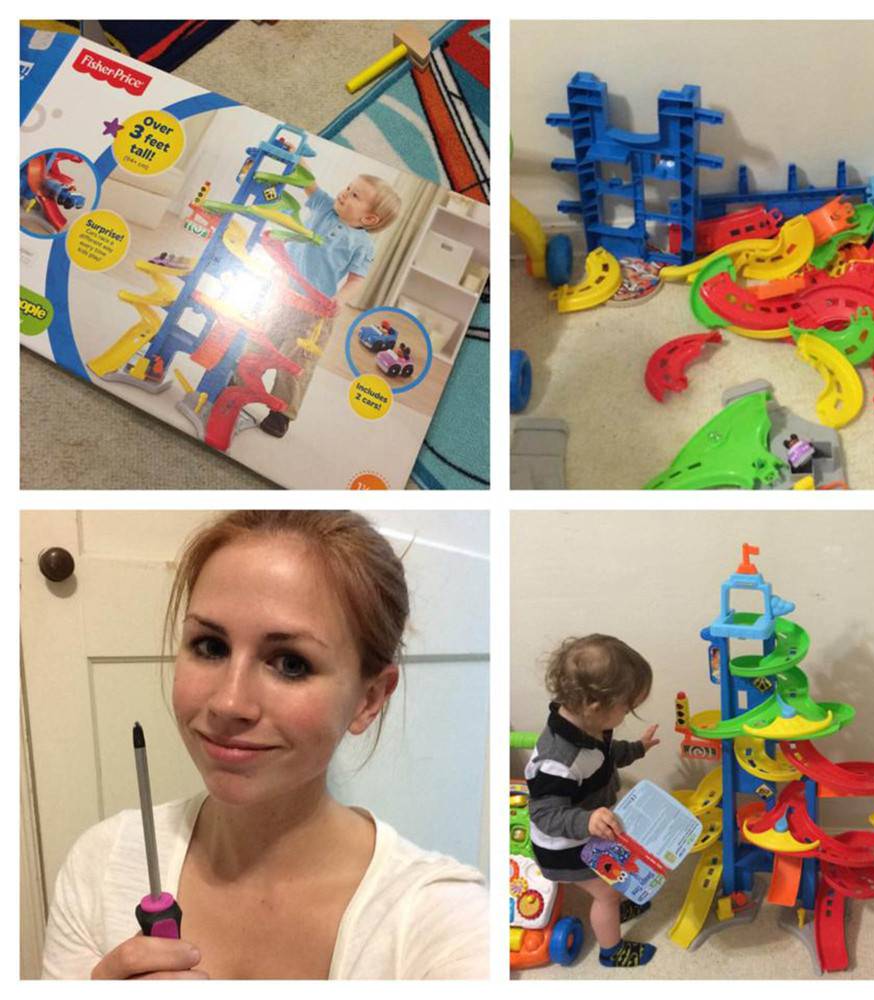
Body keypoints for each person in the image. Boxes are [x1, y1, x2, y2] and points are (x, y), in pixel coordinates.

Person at [42, 511, 487, 980]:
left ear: (369, 698)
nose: (229, 703)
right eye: (210, 646)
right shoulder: (102, 866)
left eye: (291, 663)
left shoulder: (446, 926)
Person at [526, 634, 662, 969]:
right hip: (563, 846)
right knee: (607, 893)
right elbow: (545, 814)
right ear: (595, 706)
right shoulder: (559, 760)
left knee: (619, 869)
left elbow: (606, 755)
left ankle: (617, 907)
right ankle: (611, 951)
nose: (627, 715)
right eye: (626, 708)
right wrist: (586, 821)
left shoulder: (590, 727)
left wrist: (638, 749)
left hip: (587, 831)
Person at [260, 174, 402, 438]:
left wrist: (340, 299)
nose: (345, 192)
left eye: (355, 195)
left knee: (296, 361)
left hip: (313, 311)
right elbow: (308, 182)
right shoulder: (325, 206)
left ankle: (281, 412)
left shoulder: (363, 245)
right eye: (348, 186)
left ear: (369, 218)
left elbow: (357, 278)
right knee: (259, 339)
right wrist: (296, 157)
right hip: (281, 294)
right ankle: (238, 380)